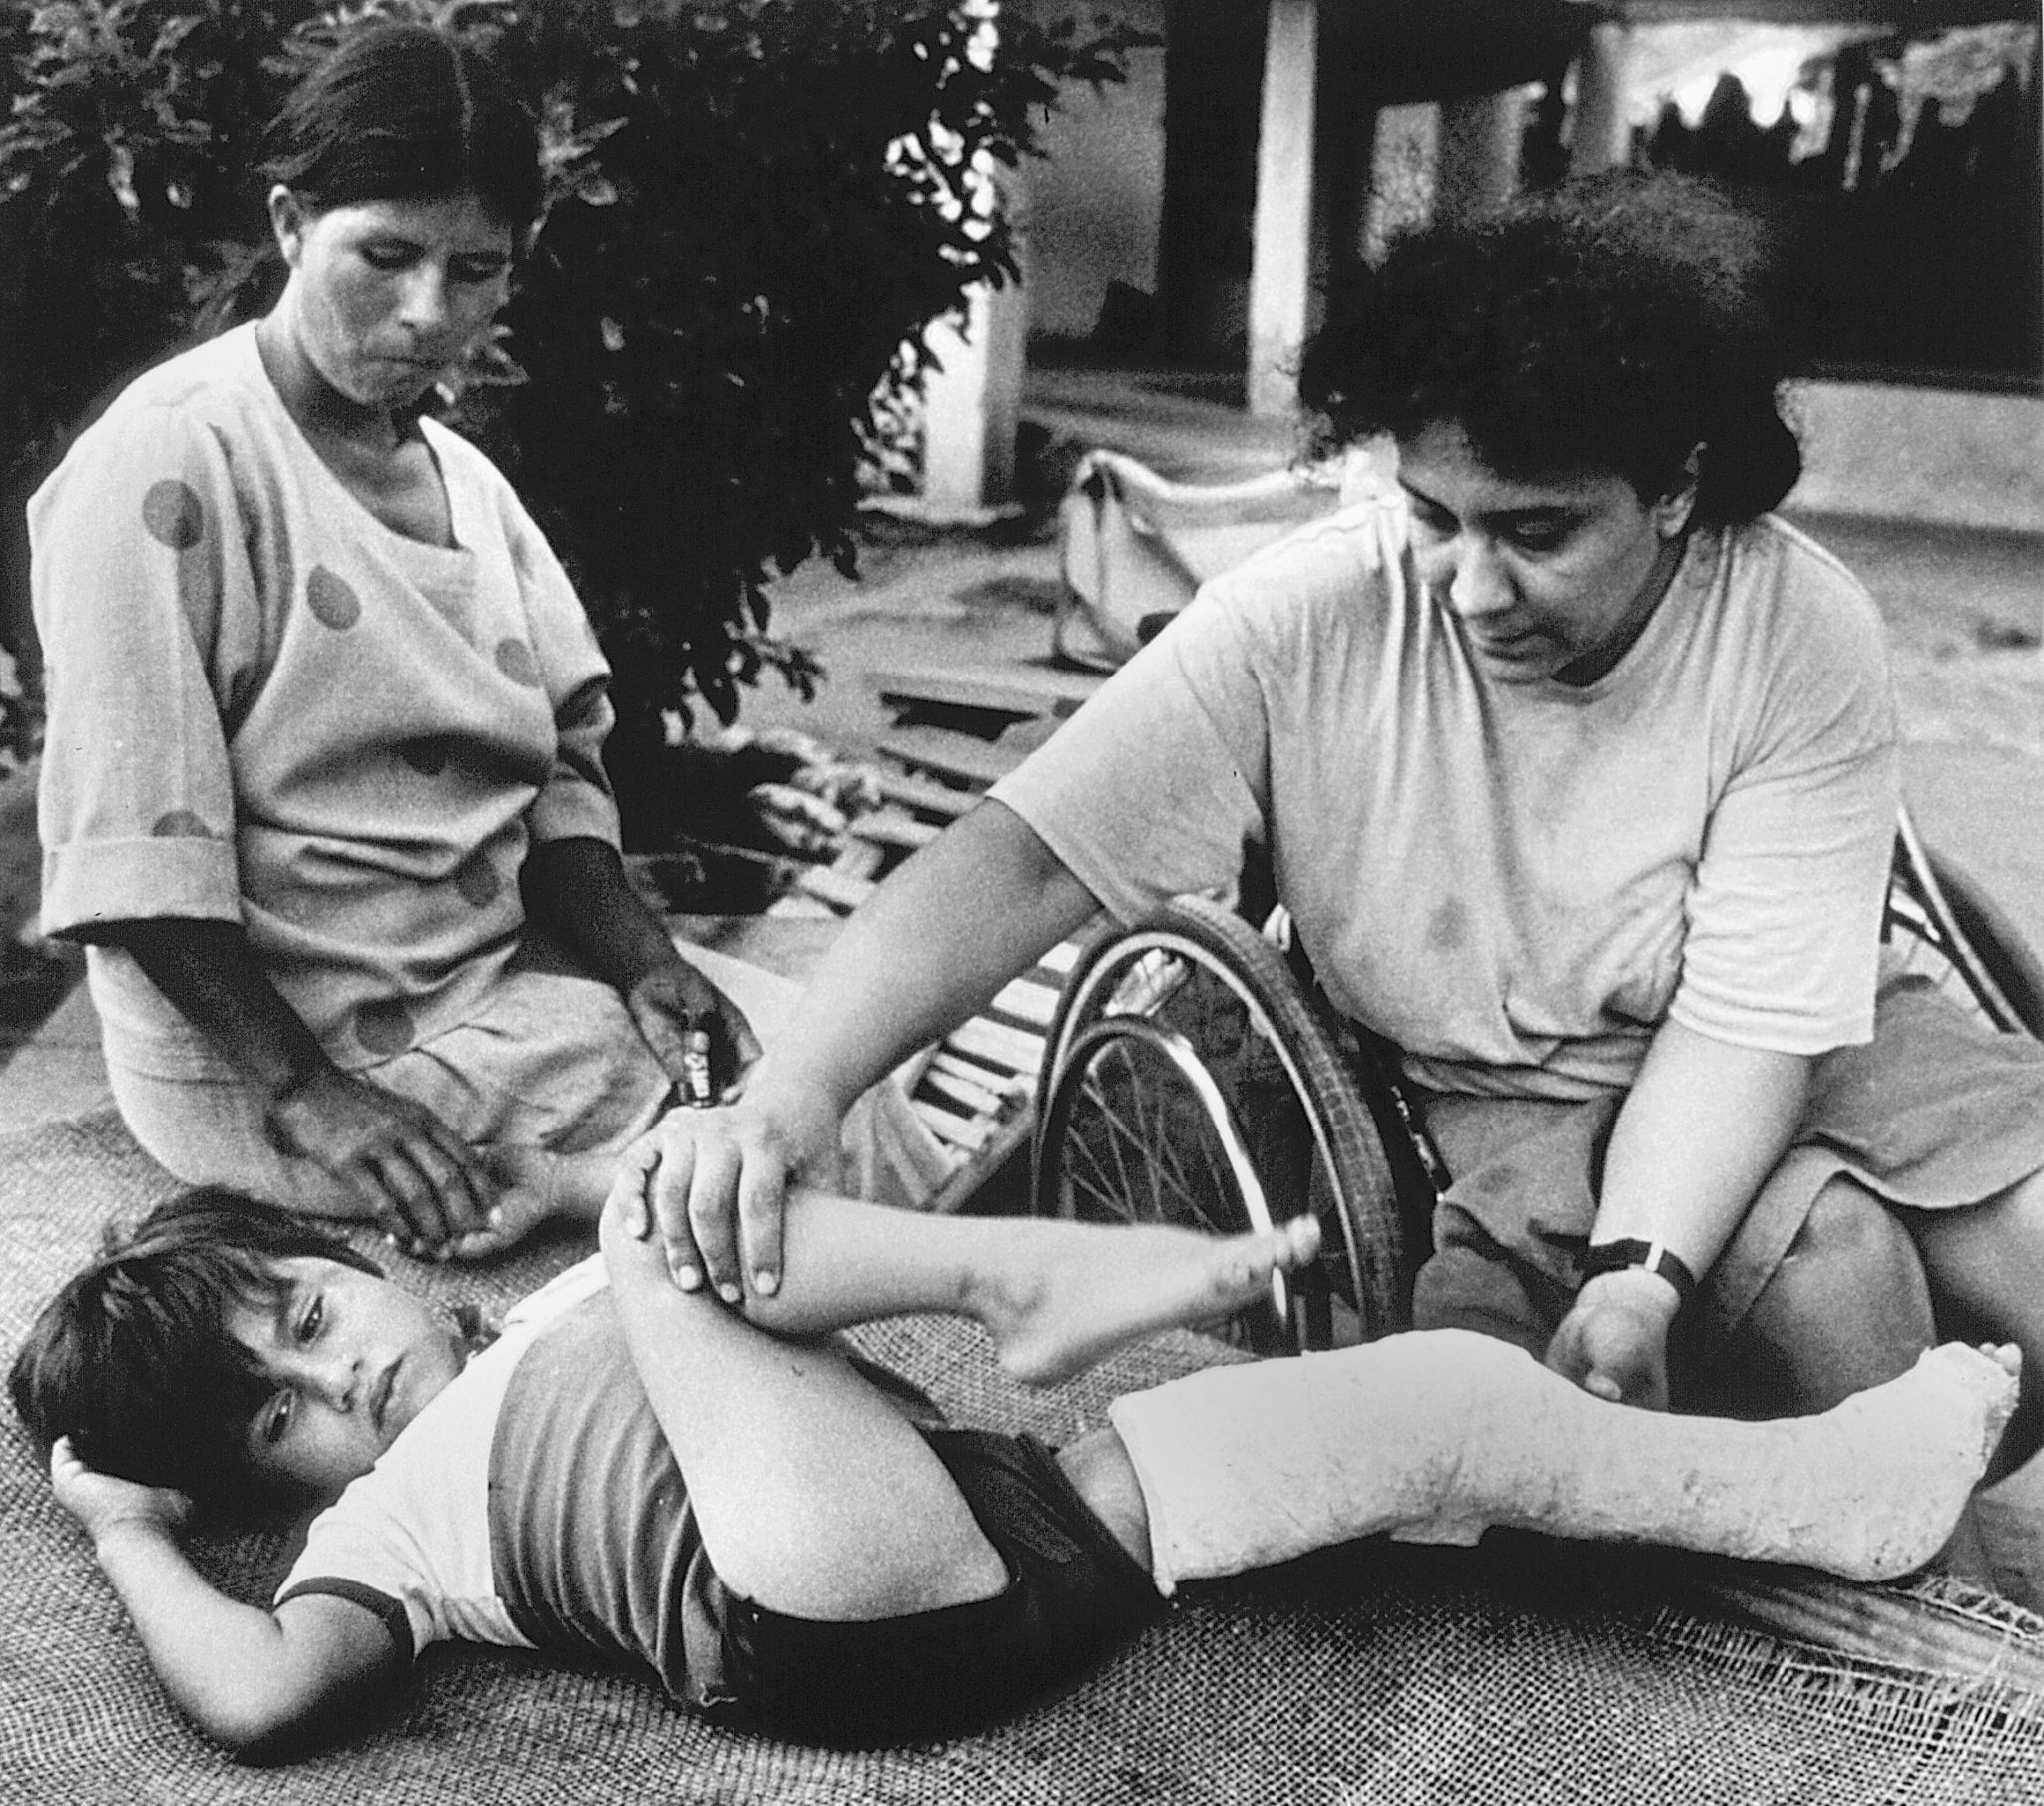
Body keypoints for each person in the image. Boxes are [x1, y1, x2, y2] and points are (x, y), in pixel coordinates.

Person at [636, 169, 2044, 1464]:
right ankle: (1917, 1669)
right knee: (1840, 1286)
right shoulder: (1311, 616)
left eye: (1537, 532)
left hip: (1802, 1034)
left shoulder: (1795, 626)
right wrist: (796, 1090)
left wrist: (1640, 1268)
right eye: (1436, 514)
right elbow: (1019, 862)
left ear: (1678, 486)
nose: (1470, 586)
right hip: (1522, 1092)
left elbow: (1751, 1029)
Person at [9, 1155, 2017, 1756]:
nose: (326, 1392)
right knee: (666, 1219)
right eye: (264, 1426)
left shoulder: (540, 1308)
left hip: (1015, 1537)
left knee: (1433, 1403)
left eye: (302, 1320)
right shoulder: (388, 1521)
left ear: (355, 1256)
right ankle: (1022, 1281)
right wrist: (125, 1532)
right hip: (805, 1611)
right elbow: (265, 1696)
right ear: (265, 1482)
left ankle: (1819, 1494)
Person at [27, 22, 759, 1260]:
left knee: (800, 1043)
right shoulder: (172, 460)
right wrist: (315, 1097)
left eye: (476, 270)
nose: (428, 313)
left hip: (475, 979)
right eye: (386, 255)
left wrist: (642, 959)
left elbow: (553, 774)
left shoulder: (465, 487)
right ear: (285, 226)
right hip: (272, 1056)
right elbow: (130, 848)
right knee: (765, 1135)